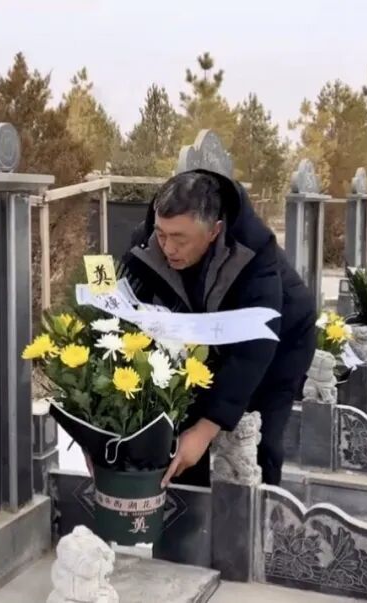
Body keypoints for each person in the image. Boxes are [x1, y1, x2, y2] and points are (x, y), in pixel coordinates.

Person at [119, 169, 317, 487]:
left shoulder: (254, 251)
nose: (168, 248)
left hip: (280, 342)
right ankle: (187, 508)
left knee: (257, 438)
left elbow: (254, 349)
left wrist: (206, 429)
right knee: (179, 426)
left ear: (215, 231)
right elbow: (120, 318)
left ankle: (259, 508)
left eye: (180, 239)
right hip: (203, 343)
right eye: (162, 234)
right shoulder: (147, 243)